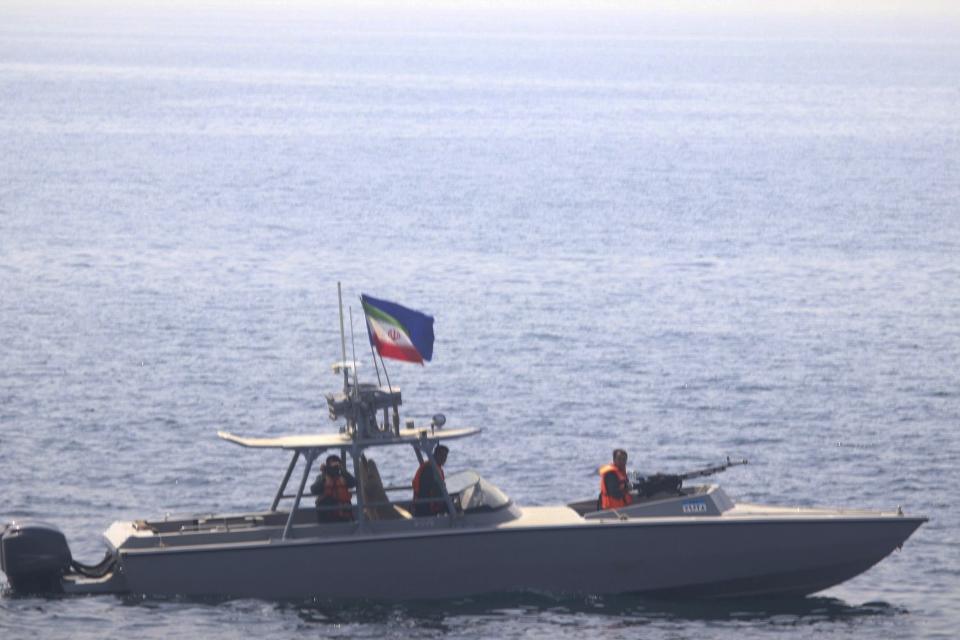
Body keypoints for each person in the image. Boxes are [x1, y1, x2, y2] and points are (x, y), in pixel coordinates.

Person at [310, 454, 356, 522]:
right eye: (332, 466)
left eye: (336, 466)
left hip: (342, 512)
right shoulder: (322, 477)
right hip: (326, 513)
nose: (334, 469)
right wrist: (324, 476)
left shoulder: (343, 477)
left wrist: (343, 470)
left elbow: (354, 483)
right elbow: (314, 490)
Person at [412, 444, 449, 517]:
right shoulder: (430, 470)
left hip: (428, 505)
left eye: (445, 456)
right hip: (424, 508)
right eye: (441, 455)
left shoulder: (436, 468)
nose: (444, 458)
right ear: (435, 455)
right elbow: (432, 491)